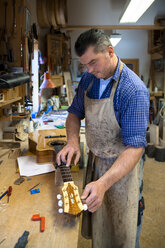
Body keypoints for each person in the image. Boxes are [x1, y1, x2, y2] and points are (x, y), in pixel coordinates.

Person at [56, 29, 149, 248]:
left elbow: (135, 148)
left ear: (109, 51)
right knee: (99, 228)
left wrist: (104, 183)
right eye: (85, 65)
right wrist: (71, 141)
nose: (89, 70)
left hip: (122, 170)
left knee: (121, 233)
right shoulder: (89, 79)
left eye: (93, 63)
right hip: (96, 163)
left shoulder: (133, 90)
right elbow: (73, 113)